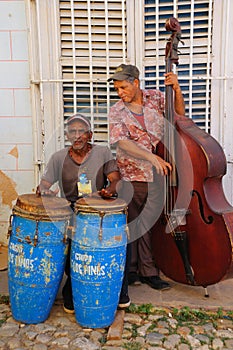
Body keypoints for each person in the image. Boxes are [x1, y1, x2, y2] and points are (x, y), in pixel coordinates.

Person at [36, 113, 130, 312]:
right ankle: (71, 293)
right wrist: (44, 190)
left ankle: (121, 293)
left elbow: (115, 179)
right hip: (70, 209)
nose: (77, 135)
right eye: (72, 131)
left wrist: (110, 189)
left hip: (96, 208)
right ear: (67, 135)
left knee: (119, 243)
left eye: (82, 131)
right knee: (73, 249)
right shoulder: (58, 158)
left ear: (90, 135)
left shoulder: (102, 152)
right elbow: (44, 184)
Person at [108, 64, 185, 290]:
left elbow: (179, 115)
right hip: (131, 173)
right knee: (132, 222)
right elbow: (122, 142)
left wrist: (177, 90)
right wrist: (150, 158)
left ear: (136, 83)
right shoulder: (116, 110)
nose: (120, 92)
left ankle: (149, 271)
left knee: (149, 224)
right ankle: (132, 271)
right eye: (117, 88)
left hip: (159, 173)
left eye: (123, 87)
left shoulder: (156, 98)